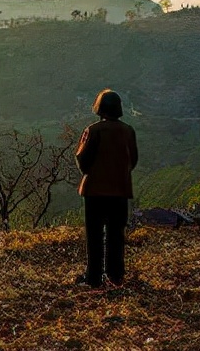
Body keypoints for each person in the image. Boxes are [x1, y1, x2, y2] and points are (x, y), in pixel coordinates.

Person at [74, 89, 138, 288]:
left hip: (94, 192)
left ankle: (93, 278)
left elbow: (82, 159)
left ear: (99, 109)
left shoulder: (92, 131)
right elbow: (133, 160)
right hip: (120, 191)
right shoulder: (128, 131)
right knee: (116, 235)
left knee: (94, 236)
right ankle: (115, 276)